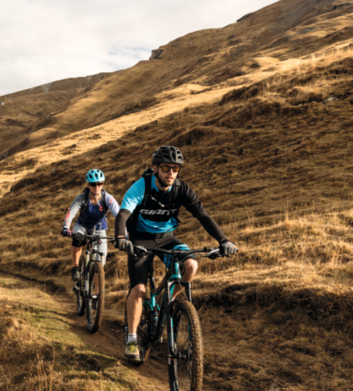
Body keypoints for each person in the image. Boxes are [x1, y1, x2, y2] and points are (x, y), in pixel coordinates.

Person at [114, 146, 238, 360]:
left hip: (167, 238)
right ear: (155, 169)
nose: (171, 173)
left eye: (175, 169)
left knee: (191, 266)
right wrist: (121, 238)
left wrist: (224, 240)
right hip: (140, 239)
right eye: (165, 168)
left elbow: (202, 215)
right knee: (139, 288)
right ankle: (132, 339)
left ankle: (167, 298)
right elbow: (124, 213)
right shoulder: (141, 186)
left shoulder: (182, 189)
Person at [62, 169, 120, 283]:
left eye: (100, 183)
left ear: (103, 183)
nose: (97, 187)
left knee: (101, 265)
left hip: (100, 229)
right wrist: (66, 227)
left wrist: (123, 233)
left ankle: (98, 295)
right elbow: (71, 212)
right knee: (77, 238)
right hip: (82, 225)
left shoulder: (108, 198)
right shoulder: (81, 197)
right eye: (93, 184)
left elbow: (119, 215)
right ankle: (76, 267)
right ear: (88, 184)